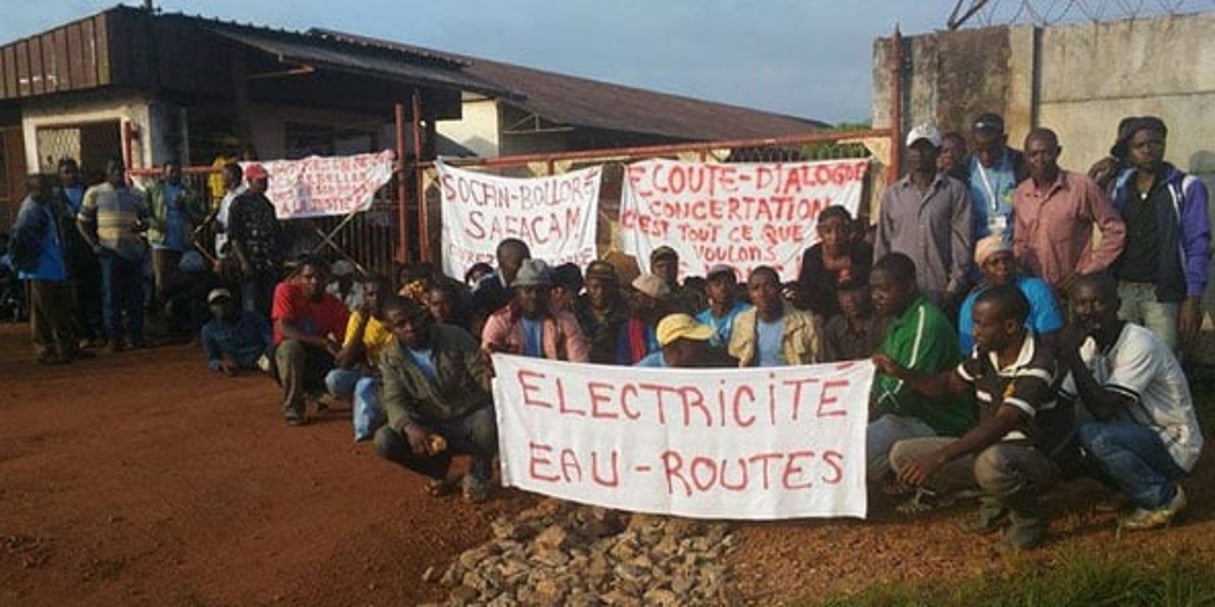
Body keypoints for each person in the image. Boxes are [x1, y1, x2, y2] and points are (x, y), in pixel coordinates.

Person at [878, 285, 1071, 552]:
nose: (975, 331)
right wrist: (901, 372)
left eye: (981, 324)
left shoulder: (1039, 363)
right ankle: (996, 501)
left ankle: (1030, 518)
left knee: (991, 463)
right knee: (903, 454)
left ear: (1010, 327)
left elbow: (1004, 422)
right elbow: (947, 385)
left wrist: (941, 456)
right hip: (990, 450)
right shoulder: (985, 353)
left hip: (1033, 458)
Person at [1059, 274, 1203, 531]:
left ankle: (1162, 498)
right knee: (1067, 442)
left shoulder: (1138, 343)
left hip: (1171, 442)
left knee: (1094, 437)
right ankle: (1130, 488)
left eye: (1097, 303)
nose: (1088, 312)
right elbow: (1062, 399)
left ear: (1117, 304)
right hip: (1135, 435)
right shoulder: (1090, 345)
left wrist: (1070, 354)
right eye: (1081, 304)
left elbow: (1104, 408)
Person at [374, 296, 497, 502]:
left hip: (467, 415)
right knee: (384, 440)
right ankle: (437, 471)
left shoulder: (455, 336)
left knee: (487, 419)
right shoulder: (389, 357)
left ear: (423, 315)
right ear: (390, 329)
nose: (410, 327)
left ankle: (480, 472)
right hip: (430, 424)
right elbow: (394, 398)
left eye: (413, 319)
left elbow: (480, 375)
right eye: (401, 324)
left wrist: (492, 374)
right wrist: (409, 426)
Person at [868, 253, 975, 484]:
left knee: (860, 447)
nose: (876, 296)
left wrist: (863, 415)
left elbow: (901, 391)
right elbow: (882, 375)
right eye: (873, 289)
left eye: (884, 289)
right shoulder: (898, 319)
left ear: (909, 286)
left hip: (939, 422)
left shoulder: (926, 321)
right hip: (908, 416)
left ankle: (910, 485)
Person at [1108, 117, 1211, 351]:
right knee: (1125, 361)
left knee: (1164, 363)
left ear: (1164, 144)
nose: (1148, 150)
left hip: (1163, 294)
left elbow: (1198, 244)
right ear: (1130, 152)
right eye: (1140, 145)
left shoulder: (1186, 187)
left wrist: (1192, 298)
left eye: (1154, 143)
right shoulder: (1120, 188)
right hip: (1123, 290)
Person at [1012, 128, 1125, 295]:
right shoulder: (1022, 192)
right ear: (1025, 157)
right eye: (1033, 154)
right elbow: (1020, 240)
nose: (1040, 160)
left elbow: (1115, 229)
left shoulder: (1081, 186)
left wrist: (1087, 271)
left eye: (1046, 153)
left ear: (1058, 152)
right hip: (1034, 288)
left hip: (1073, 289)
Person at [875, 124, 973, 311]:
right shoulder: (892, 195)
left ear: (937, 152)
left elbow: (962, 243)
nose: (919, 154)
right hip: (900, 293)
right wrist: (881, 288)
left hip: (940, 292)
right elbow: (883, 245)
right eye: (914, 148)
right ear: (907, 152)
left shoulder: (954, 191)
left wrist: (953, 287)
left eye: (926, 148)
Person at [10, 174, 86, 364]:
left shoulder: (47, 206)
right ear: (32, 190)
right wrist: (26, 262)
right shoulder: (30, 211)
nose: (48, 192)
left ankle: (68, 347)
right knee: (43, 312)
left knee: (62, 309)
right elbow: (20, 240)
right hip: (39, 269)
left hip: (55, 266)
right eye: (42, 188)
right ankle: (45, 351)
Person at [76, 158, 149, 351]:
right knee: (111, 297)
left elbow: (147, 219)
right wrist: (94, 244)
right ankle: (114, 339)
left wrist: (141, 226)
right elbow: (82, 222)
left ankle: (135, 337)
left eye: (120, 169)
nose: (117, 173)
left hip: (133, 251)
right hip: (109, 252)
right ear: (107, 172)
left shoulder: (137, 194)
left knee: (135, 297)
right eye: (113, 170)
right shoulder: (95, 193)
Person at [270, 257, 349, 426]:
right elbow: (284, 328)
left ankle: (317, 391)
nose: (314, 281)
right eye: (308, 277)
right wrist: (324, 342)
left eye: (320, 277)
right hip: (285, 355)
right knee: (291, 348)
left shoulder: (335, 305)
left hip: (316, 356)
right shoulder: (285, 290)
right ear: (298, 278)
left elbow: (346, 337)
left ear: (328, 279)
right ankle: (293, 409)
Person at [958, 235, 1063, 354]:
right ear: (983, 269)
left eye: (1007, 260)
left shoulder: (1036, 289)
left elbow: (1050, 337)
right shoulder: (972, 304)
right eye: (994, 263)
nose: (1003, 267)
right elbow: (968, 350)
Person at [481, 259, 589, 362]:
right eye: (528, 291)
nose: (534, 296)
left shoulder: (566, 321)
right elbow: (487, 361)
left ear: (548, 292)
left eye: (540, 291)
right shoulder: (499, 321)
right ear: (517, 292)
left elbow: (579, 362)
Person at [145, 161, 207, 314]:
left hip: (182, 240)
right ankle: (160, 315)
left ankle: (174, 311)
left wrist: (185, 207)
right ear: (164, 173)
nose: (175, 175)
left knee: (178, 278)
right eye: (171, 171)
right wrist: (155, 223)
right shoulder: (154, 189)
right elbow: (144, 212)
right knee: (161, 281)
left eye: (178, 172)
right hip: (161, 240)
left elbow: (200, 216)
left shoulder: (189, 193)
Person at [728, 266, 822, 367]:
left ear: (779, 288)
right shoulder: (741, 322)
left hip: (793, 381)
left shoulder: (806, 323)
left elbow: (820, 364)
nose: (762, 293)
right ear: (750, 293)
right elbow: (735, 360)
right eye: (755, 288)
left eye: (768, 286)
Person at [796, 205, 873, 320]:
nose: (835, 237)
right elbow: (805, 293)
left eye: (841, 230)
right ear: (820, 233)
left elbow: (870, 287)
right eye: (828, 231)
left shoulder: (862, 252)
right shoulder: (812, 256)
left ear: (849, 231)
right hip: (821, 317)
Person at [324, 276, 393, 403]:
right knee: (334, 379)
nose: (376, 299)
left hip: (394, 374)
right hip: (369, 373)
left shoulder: (397, 315)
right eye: (370, 295)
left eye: (381, 294)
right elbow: (343, 362)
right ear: (364, 297)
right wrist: (362, 323)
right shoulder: (358, 317)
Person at [57, 158, 102, 347]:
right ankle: (83, 333)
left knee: (95, 289)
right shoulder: (56, 197)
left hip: (91, 248)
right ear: (60, 175)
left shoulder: (89, 192)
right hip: (69, 251)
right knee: (76, 293)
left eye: (73, 171)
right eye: (66, 172)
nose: (71, 175)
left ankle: (100, 330)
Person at [227, 163, 282, 316]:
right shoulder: (239, 203)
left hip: (268, 264)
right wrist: (244, 262)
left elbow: (275, 233)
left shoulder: (267, 205)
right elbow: (234, 235)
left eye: (265, 180)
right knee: (250, 306)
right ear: (249, 181)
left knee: (267, 305)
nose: (264, 184)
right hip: (250, 263)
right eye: (260, 181)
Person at [966, 113, 1027, 240]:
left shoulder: (1021, 165)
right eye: (980, 150)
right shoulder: (962, 170)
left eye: (992, 150)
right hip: (978, 247)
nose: (985, 157)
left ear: (1004, 140)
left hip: (1013, 244)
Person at [200, 287, 271, 375]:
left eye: (224, 302)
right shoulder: (208, 330)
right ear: (210, 308)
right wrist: (221, 365)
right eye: (216, 304)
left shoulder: (254, 318)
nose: (221, 307)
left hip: (264, 361)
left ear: (232, 303)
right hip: (240, 368)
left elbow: (270, 341)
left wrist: (265, 361)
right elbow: (213, 358)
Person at [576, 260, 628, 364]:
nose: (600, 292)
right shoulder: (575, 308)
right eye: (595, 287)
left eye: (605, 287)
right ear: (586, 285)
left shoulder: (625, 309)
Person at [822, 279, 886, 362]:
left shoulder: (883, 323)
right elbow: (832, 365)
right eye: (844, 294)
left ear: (867, 293)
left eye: (855, 291)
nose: (850, 299)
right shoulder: (834, 327)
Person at [636, 313, 732, 368]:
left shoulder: (707, 363)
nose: (704, 344)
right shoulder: (643, 373)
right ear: (678, 348)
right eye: (696, 341)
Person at [618, 274, 672, 365]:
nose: (630, 302)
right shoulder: (628, 329)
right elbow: (623, 365)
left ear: (651, 303)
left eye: (636, 299)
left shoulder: (675, 328)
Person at [471, 238, 530, 320]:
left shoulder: (535, 282)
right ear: (501, 263)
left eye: (528, 262)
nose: (525, 268)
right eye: (518, 263)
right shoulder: (484, 288)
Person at [696, 264, 751, 346]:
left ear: (735, 286)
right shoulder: (700, 320)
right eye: (717, 284)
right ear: (708, 290)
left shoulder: (748, 313)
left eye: (728, 283)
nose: (723, 288)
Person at [650, 245, 703, 314]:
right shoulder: (644, 297)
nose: (665, 269)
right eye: (660, 266)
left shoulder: (692, 297)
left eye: (670, 265)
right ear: (652, 269)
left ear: (677, 268)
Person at [211, 162, 246, 264]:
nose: (221, 179)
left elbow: (240, 226)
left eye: (223, 175)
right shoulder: (227, 197)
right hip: (224, 249)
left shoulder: (242, 197)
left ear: (231, 176)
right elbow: (221, 219)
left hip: (236, 250)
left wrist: (225, 228)